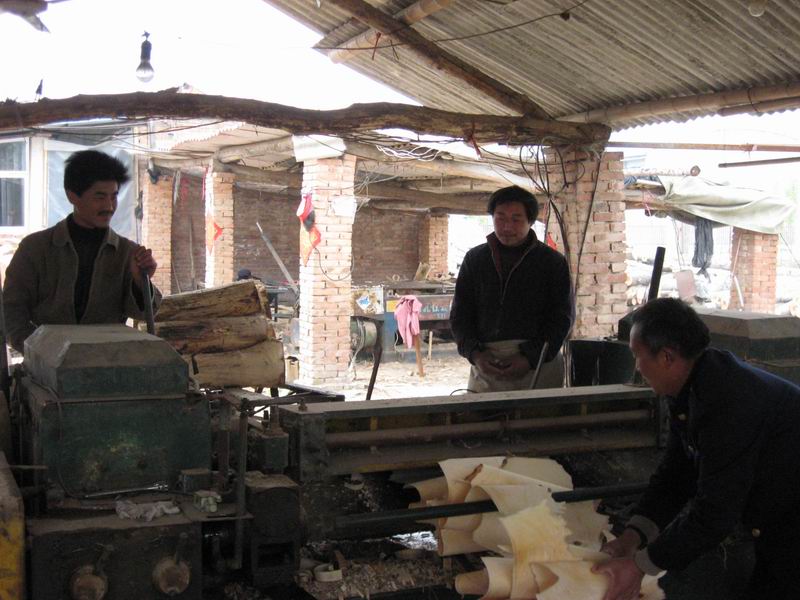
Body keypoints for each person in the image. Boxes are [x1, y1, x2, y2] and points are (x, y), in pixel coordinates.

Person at [595, 298, 800, 600]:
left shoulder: (729, 402)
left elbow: (715, 513)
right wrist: (633, 535)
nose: (637, 367)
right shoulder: (690, 388)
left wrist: (640, 566)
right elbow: (676, 474)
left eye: (637, 356)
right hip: (778, 522)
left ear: (667, 357)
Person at [3, 150, 160, 352]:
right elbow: (11, 311)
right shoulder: (35, 249)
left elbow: (145, 314)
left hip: (107, 362)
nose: (109, 206)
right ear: (72, 196)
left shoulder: (127, 253)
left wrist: (141, 282)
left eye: (114, 197)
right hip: (44, 363)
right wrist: (38, 352)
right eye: (99, 197)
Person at [449, 185, 572, 392]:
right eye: (500, 218)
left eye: (516, 219)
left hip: (539, 363)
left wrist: (529, 358)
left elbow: (561, 318)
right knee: (483, 413)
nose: (507, 227)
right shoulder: (475, 259)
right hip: (486, 362)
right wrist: (475, 354)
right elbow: (460, 315)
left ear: (530, 221)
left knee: (540, 412)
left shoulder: (552, 262)